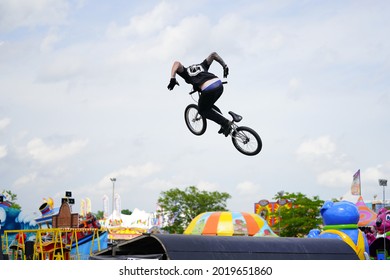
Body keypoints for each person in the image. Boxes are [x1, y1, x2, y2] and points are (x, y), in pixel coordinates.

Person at [167, 51, 231, 136]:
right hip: (219, 84)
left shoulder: (185, 72)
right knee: (209, 104)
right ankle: (223, 124)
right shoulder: (202, 66)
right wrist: (224, 66)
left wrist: (172, 78)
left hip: (208, 89)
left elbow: (176, 63)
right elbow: (213, 54)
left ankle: (225, 123)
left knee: (202, 110)